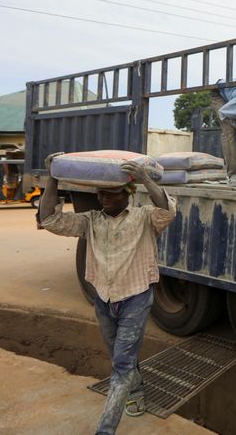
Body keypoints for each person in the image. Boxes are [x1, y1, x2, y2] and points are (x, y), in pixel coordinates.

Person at [38, 153, 177, 435]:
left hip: (135, 298)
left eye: (111, 193)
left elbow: (168, 211)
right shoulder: (90, 221)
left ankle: (105, 429)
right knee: (119, 355)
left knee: (122, 364)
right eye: (101, 194)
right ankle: (136, 393)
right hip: (104, 299)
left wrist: (145, 178)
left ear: (128, 193)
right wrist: (52, 177)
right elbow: (49, 219)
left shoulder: (144, 217)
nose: (103, 198)